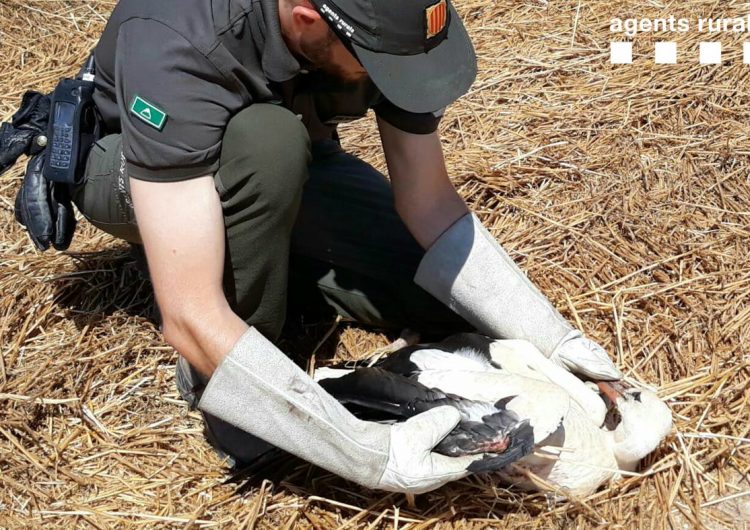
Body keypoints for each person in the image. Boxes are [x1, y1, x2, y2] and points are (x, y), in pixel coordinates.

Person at [4, 0, 622, 494]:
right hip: (140, 169)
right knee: (264, 145)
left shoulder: (389, 20)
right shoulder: (178, 35)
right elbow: (190, 313)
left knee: (450, 301)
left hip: (292, 157)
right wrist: (360, 451)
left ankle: (271, 247)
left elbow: (429, 203)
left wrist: (555, 340)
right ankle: (233, 393)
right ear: (305, 19)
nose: (398, 78)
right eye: (378, 65)